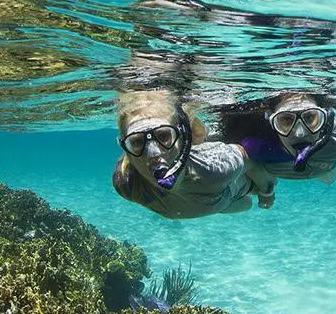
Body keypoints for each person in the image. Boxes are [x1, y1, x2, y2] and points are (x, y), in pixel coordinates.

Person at [112, 89, 263, 219]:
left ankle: (204, 136)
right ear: (126, 148)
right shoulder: (126, 182)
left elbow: (250, 157)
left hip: (226, 194)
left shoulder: (214, 169)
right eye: (137, 142)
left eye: (164, 136)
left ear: (184, 138)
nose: (153, 153)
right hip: (213, 204)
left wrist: (266, 191)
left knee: (248, 201)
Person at [216, 91, 336, 208]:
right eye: (286, 120)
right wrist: (266, 191)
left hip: (324, 170)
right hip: (279, 172)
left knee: (328, 178)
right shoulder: (259, 147)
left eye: (310, 118)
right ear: (272, 123)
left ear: (324, 118)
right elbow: (249, 163)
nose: (300, 134)